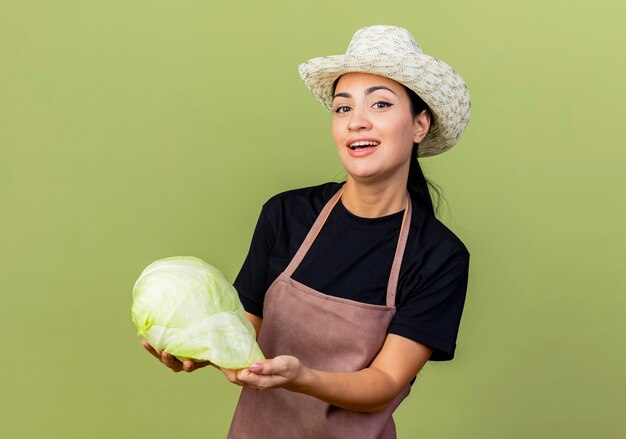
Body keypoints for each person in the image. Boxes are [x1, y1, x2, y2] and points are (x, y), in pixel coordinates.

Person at [142, 25, 471, 438]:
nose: (357, 122)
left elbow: (384, 383)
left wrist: (301, 377)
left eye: (381, 104)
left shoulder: (438, 256)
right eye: (343, 108)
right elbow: (244, 329)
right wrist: (198, 348)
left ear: (419, 125)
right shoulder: (286, 215)